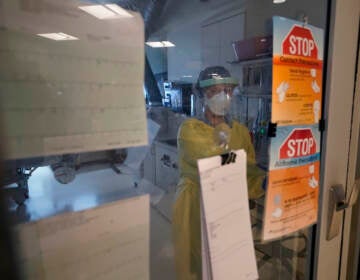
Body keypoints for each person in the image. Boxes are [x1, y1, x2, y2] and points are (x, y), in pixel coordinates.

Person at [172, 66, 266, 280]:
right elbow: (210, 161)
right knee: (196, 263)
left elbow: (247, 170)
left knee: (226, 263)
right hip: (194, 204)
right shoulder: (189, 130)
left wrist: (262, 183)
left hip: (228, 205)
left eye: (228, 90)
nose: (223, 96)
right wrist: (239, 161)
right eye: (215, 91)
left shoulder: (240, 131)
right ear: (202, 95)